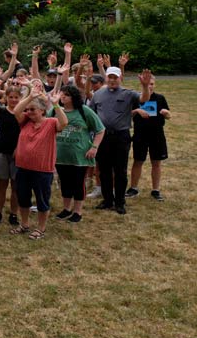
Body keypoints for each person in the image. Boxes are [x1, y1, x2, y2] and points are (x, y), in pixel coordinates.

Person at [90, 67, 152, 215]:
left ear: (120, 78)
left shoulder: (128, 93)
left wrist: (144, 86)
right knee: (104, 170)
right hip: (102, 136)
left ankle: (119, 202)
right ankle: (107, 200)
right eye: (110, 77)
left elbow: (144, 99)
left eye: (115, 77)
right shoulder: (97, 94)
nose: (112, 80)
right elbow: (92, 113)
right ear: (106, 78)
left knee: (120, 170)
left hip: (121, 136)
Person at [12, 86, 67, 240]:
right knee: (23, 198)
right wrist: (30, 97)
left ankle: (41, 228)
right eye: (28, 110)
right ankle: (24, 224)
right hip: (23, 168)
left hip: (42, 170)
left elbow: (64, 123)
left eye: (33, 110)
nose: (28, 112)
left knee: (42, 200)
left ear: (42, 110)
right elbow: (16, 111)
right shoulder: (25, 122)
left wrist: (56, 105)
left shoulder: (51, 122)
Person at [52, 84, 104, 224]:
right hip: (60, 155)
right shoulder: (54, 111)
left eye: (66, 95)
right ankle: (66, 209)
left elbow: (100, 129)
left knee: (78, 183)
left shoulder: (84, 111)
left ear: (73, 97)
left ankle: (77, 211)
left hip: (80, 155)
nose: (62, 97)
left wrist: (94, 147)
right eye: (61, 94)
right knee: (65, 183)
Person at [128, 76, 171, 201]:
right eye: (148, 84)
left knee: (156, 163)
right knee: (138, 161)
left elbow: (169, 115)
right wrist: (137, 110)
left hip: (157, 135)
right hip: (140, 135)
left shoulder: (160, 98)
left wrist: (166, 113)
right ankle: (133, 188)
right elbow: (126, 115)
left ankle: (156, 190)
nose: (150, 86)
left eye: (152, 83)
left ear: (155, 84)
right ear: (142, 84)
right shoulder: (136, 98)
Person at [0, 86, 21, 226]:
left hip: (18, 153)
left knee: (16, 186)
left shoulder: (23, 113)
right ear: (6, 97)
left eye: (16, 97)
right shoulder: (0, 111)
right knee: (1, 185)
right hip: (1, 151)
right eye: (11, 97)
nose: (13, 100)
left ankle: (14, 214)